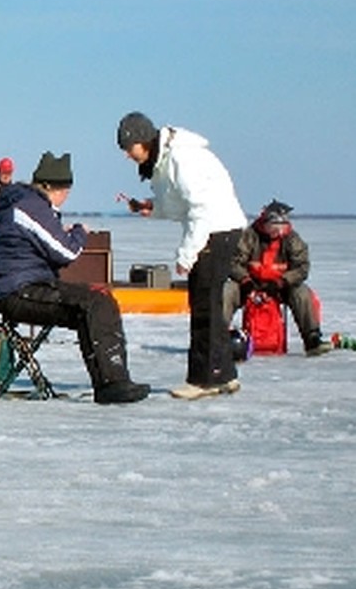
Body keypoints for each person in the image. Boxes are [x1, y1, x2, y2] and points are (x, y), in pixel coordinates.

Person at [0, 152, 150, 404]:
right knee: (97, 301)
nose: (66, 198)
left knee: (91, 304)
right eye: (66, 192)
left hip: (21, 286)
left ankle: (109, 382)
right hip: (19, 291)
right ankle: (113, 382)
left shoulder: (26, 204)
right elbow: (66, 252)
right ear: (56, 188)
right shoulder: (31, 207)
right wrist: (79, 232)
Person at [117, 111, 248, 400]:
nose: (128, 155)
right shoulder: (167, 160)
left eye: (128, 148)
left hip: (216, 231)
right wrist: (149, 208)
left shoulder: (181, 159)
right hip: (217, 229)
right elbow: (177, 204)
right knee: (209, 302)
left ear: (142, 140)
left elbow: (201, 210)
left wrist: (187, 255)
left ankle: (204, 379)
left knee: (204, 305)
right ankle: (224, 374)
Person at [223, 200, 330, 356]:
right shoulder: (248, 237)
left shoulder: (293, 240)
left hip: (280, 286)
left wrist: (282, 282)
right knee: (227, 290)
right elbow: (233, 263)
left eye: (283, 228)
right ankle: (216, 337)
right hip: (250, 284)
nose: (279, 232)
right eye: (275, 228)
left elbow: (302, 268)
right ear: (265, 224)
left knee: (302, 293)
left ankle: (312, 338)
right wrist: (246, 282)